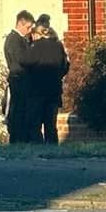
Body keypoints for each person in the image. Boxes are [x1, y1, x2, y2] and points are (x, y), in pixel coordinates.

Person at [27, 14, 71, 145]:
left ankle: (38, 147)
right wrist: (58, 76)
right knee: (51, 124)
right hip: (54, 90)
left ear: (37, 33)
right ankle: (52, 148)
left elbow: (28, 66)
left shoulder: (35, 47)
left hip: (37, 91)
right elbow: (65, 66)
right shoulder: (58, 46)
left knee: (35, 123)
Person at [3, 10, 38, 144]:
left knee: (20, 110)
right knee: (19, 111)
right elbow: (22, 60)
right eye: (28, 27)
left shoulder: (18, 39)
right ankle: (19, 139)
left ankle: (20, 138)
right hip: (19, 80)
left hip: (20, 80)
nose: (29, 31)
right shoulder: (14, 40)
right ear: (20, 24)